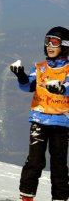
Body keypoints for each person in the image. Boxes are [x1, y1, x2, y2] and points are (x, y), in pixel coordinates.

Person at [9, 26, 69, 201]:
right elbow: (29, 86)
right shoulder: (41, 68)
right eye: (47, 41)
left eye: (54, 42)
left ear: (65, 46)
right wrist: (21, 76)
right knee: (34, 161)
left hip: (61, 122)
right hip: (40, 119)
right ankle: (27, 196)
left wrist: (62, 88)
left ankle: (60, 197)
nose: (49, 46)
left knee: (58, 163)